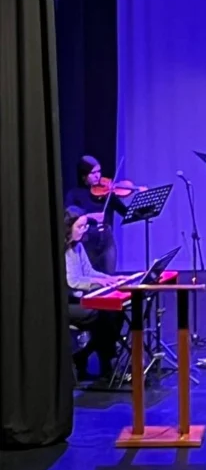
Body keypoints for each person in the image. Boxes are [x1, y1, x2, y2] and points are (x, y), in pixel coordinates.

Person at [64, 206, 126, 379]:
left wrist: (111, 279)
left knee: (116, 311)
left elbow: (89, 272)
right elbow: (73, 282)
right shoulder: (63, 250)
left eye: (85, 226)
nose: (84, 230)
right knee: (103, 314)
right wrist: (98, 283)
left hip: (82, 297)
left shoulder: (78, 246)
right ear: (68, 227)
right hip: (69, 302)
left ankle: (88, 357)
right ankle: (104, 363)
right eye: (80, 226)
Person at [64, 155, 126, 273]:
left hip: (107, 239)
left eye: (99, 171)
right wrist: (90, 217)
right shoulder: (74, 194)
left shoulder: (107, 192)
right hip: (87, 239)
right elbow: (69, 218)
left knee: (109, 276)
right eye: (93, 173)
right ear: (84, 176)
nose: (98, 176)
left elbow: (125, 212)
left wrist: (137, 192)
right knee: (89, 276)